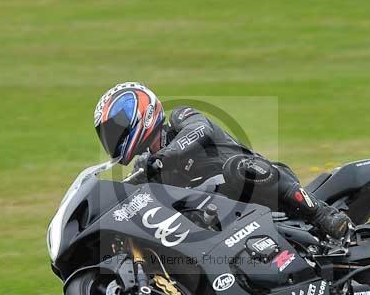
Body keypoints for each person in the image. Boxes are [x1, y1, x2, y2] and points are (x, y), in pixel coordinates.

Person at [94, 82, 352, 239]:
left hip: (260, 181)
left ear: (141, 112)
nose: (113, 137)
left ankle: (322, 214)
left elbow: (200, 129)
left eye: (115, 127)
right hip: (226, 219)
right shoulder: (148, 167)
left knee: (240, 169)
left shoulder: (180, 118)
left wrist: (163, 158)